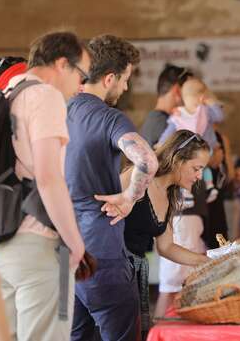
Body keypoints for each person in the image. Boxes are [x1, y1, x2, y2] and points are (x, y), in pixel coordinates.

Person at [0, 31, 88, 341]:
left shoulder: (7, 92)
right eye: (81, 74)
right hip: (40, 242)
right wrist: (75, 242)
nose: (81, 86)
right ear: (62, 63)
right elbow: (49, 177)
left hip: (1, 241)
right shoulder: (45, 96)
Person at [65, 35, 158, 341]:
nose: (126, 88)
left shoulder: (60, 110)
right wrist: (132, 196)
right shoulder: (107, 117)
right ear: (109, 78)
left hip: (60, 251)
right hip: (100, 252)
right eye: (126, 79)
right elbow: (147, 159)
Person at [115, 130, 210, 338]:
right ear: (178, 160)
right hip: (113, 271)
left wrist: (207, 261)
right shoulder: (136, 176)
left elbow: (166, 247)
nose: (199, 176)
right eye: (196, 168)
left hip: (135, 274)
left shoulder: (169, 196)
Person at [139, 64, 192, 147]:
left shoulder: (157, 119)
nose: (194, 98)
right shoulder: (164, 124)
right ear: (177, 91)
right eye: (190, 91)